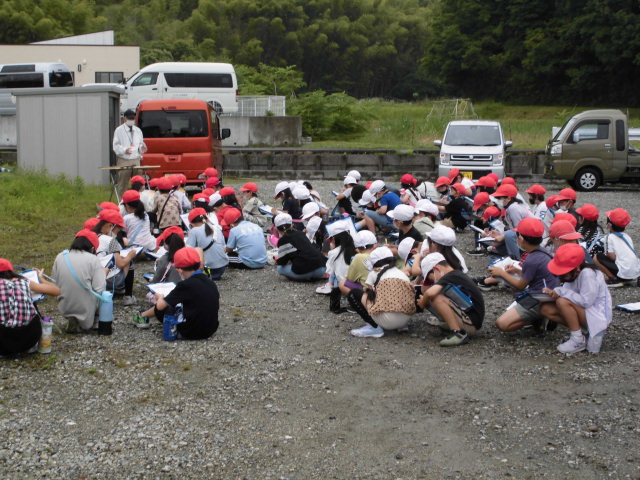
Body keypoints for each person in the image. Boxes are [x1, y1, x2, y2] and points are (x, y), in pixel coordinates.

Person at [134, 247, 219, 340]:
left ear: (180, 270)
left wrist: (159, 296)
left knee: (165, 306)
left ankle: (142, 316)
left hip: (190, 332)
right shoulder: (209, 281)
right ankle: (143, 315)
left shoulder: (185, 285)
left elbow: (160, 306)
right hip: (210, 330)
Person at [492, 218, 560, 333]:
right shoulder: (542, 251)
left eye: (517, 235)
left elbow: (520, 286)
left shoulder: (531, 259)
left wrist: (501, 273)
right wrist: (517, 271)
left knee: (502, 324)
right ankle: (539, 317)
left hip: (539, 297)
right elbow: (537, 274)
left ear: (522, 239)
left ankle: (537, 318)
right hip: (549, 294)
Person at [541, 243, 612, 354]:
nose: (561, 277)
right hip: (587, 314)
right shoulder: (576, 273)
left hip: (596, 316)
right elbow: (568, 291)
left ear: (577, 269)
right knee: (546, 309)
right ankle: (581, 333)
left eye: (563, 274)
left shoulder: (588, 274)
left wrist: (561, 292)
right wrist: (554, 292)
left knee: (562, 302)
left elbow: (586, 302)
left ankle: (578, 340)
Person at [417, 252, 485, 347]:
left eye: (431, 279)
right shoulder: (455, 275)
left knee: (436, 298)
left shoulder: (450, 276)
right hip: (470, 319)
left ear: (437, 269)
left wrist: (422, 303)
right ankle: (451, 323)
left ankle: (458, 333)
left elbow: (429, 293)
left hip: (471, 322)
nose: (434, 281)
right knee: (432, 297)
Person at [350, 247, 416, 338]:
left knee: (354, 293)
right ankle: (402, 326)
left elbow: (368, 292)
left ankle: (374, 327)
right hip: (405, 318)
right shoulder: (401, 274)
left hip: (387, 322)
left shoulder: (374, 273)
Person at [0, 258, 60, 356]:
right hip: (30, 340)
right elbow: (57, 291)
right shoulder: (24, 281)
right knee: (32, 303)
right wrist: (40, 278)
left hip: (3, 345)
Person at [52, 230, 107, 333]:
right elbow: (100, 288)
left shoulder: (60, 256)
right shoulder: (93, 259)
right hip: (85, 310)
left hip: (64, 306)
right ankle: (91, 320)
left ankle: (72, 319)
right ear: (92, 248)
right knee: (104, 292)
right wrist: (104, 274)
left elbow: (54, 281)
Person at [92, 209, 138, 305]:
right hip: (107, 280)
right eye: (118, 229)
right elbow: (120, 264)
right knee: (129, 261)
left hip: (91, 279)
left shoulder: (91, 236)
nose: (117, 233)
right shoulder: (110, 240)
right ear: (110, 226)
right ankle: (128, 297)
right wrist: (130, 255)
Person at [594, 208, 640, 287]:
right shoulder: (627, 236)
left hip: (623, 273)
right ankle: (629, 279)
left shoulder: (609, 237)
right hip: (635, 273)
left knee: (596, 257)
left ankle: (614, 279)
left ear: (609, 225)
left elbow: (611, 256)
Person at [275, 213, 327, 281]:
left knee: (280, 269)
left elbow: (282, 262)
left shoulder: (283, 240)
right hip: (321, 268)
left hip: (305, 271)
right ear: (292, 225)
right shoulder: (301, 233)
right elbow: (314, 247)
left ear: (276, 228)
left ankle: (304, 277)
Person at [112, 109, 147, 198]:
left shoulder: (138, 130)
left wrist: (142, 148)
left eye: (133, 118)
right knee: (123, 183)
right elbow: (115, 146)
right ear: (125, 118)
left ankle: (137, 200)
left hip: (136, 159)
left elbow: (140, 144)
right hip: (124, 160)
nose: (131, 120)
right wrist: (124, 150)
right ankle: (122, 202)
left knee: (138, 183)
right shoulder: (119, 130)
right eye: (130, 118)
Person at [186, 207, 228, 280]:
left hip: (208, 270)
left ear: (191, 223)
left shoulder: (194, 231)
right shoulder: (217, 228)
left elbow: (188, 250)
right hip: (222, 267)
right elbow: (224, 247)